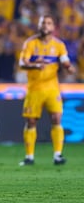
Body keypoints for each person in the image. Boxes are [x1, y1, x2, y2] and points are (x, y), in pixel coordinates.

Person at [18, 14, 76, 166]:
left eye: (48, 23)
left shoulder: (59, 45)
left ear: (53, 27)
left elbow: (64, 60)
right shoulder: (30, 43)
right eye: (43, 23)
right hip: (35, 88)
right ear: (39, 25)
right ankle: (29, 156)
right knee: (31, 121)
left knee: (57, 119)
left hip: (52, 88)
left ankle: (58, 155)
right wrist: (35, 65)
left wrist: (69, 67)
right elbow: (22, 63)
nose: (45, 26)